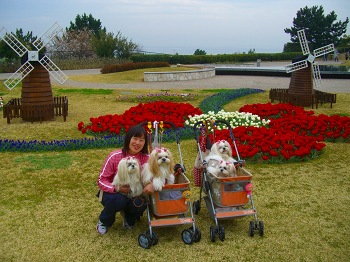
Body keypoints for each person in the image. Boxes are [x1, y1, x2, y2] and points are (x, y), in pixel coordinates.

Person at [96, 124, 154, 234]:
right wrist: (116, 188)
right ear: (128, 138)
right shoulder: (114, 156)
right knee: (118, 200)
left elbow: (159, 176)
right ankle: (104, 221)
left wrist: (153, 184)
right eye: (135, 138)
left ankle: (129, 218)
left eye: (141, 140)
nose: (137, 143)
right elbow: (101, 180)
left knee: (140, 203)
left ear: (145, 142)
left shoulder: (147, 158)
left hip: (135, 193)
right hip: (114, 193)